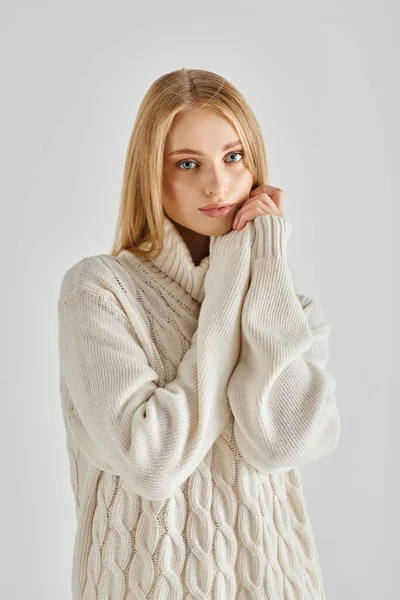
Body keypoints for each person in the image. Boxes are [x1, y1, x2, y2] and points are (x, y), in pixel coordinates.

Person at [57, 68, 341, 600]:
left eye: (233, 157)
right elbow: (153, 463)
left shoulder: (289, 308)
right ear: (151, 174)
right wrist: (233, 275)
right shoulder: (99, 291)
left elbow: (283, 443)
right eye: (188, 164)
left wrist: (263, 267)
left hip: (278, 584)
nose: (218, 184)